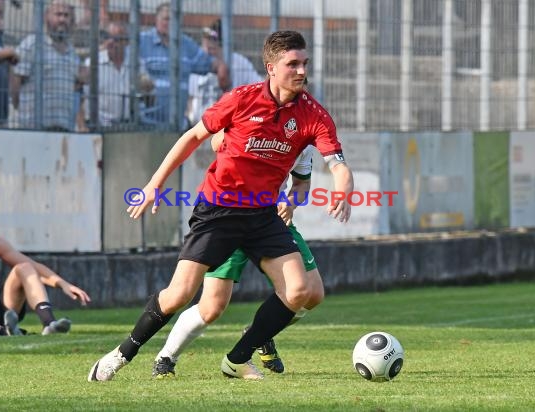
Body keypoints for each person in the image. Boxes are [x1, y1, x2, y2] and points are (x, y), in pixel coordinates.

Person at [88, 30, 353, 382]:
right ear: (271, 68)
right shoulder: (241, 99)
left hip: (262, 215)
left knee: (301, 291)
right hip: (219, 210)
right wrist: (154, 184)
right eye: (293, 64)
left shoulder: (312, 114)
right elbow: (193, 137)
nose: (302, 71)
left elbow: (336, 164)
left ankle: (237, 358)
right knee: (181, 294)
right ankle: (123, 353)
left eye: (304, 63)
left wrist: (343, 188)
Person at [152, 143, 321, 378]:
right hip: (229, 216)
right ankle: (166, 357)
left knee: (313, 293)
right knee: (211, 307)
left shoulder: (304, 134)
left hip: (270, 221)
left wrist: (290, 203)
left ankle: (258, 333)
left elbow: (301, 184)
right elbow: (212, 139)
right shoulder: (249, 117)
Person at [0, 198, 92, 336]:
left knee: (24, 267)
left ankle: (49, 324)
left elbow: (34, 267)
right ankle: (6, 333)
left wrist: (63, 284)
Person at [138, 1, 229, 129]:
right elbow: (129, 66)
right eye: (166, 19)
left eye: (174, 19)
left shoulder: (186, 44)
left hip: (177, 126)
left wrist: (220, 67)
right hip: (147, 125)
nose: (169, 23)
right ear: (156, 20)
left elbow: (207, 62)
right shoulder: (143, 41)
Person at [11, 0, 87, 131]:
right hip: (34, 129)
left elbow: (76, 91)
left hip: (63, 129)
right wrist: (20, 107)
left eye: (66, 15)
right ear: (46, 17)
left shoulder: (72, 54)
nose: (62, 19)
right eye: (58, 14)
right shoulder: (32, 44)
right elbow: (16, 82)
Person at [187, 22, 263, 126]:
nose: (206, 53)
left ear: (224, 48)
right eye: (204, 47)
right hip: (201, 126)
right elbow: (190, 98)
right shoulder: (199, 63)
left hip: (230, 126)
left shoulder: (238, 62)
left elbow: (259, 88)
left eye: (211, 49)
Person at [81, 21, 154, 128]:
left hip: (128, 125)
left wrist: (147, 88)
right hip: (99, 125)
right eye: (107, 37)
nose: (111, 42)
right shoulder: (93, 63)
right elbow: (82, 98)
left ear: (126, 42)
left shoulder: (136, 64)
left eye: (117, 39)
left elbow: (149, 95)